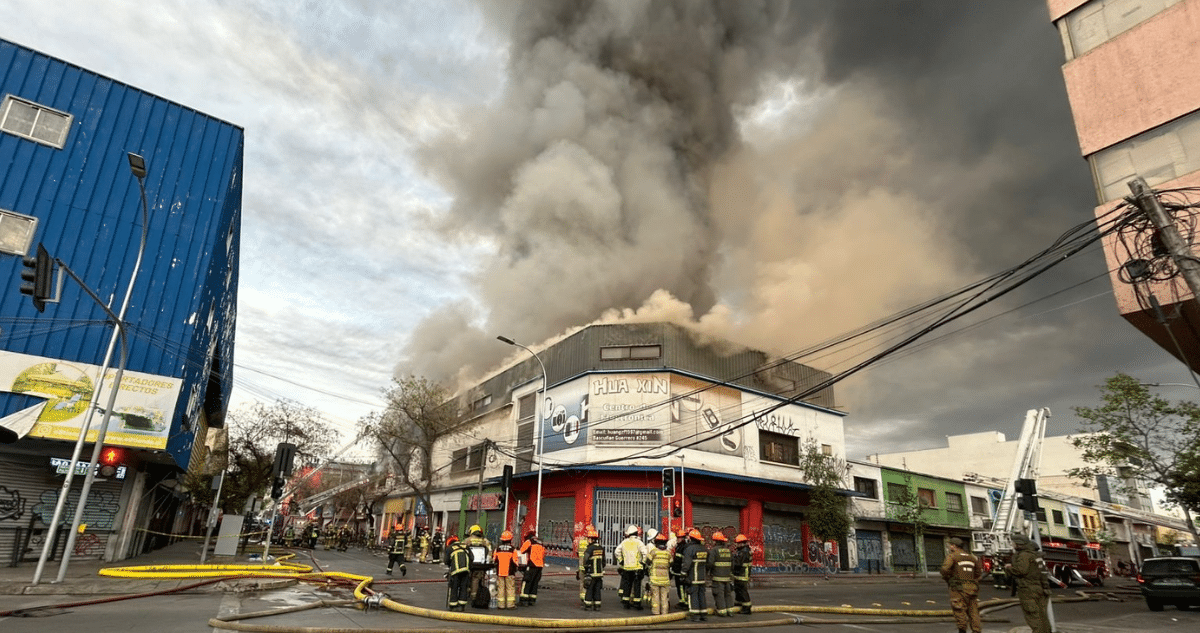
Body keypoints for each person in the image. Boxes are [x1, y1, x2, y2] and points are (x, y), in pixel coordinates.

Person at [1006, 533, 1052, 633]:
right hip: (1039, 588)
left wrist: (1009, 568)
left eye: (1013, 542)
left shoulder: (1024, 555)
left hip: (1028, 589)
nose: (1012, 544)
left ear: (1018, 544)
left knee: (1034, 618)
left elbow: (1021, 570)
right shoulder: (1035, 555)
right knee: (1042, 617)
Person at [940, 537, 982, 633]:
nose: (949, 547)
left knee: (959, 610)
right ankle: (977, 630)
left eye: (950, 545)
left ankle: (962, 630)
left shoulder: (952, 556)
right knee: (973, 612)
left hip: (958, 588)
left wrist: (949, 578)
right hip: (973, 588)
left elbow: (944, 570)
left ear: (954, 546)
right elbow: (978, 573)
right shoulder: (972, 557)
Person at [615, 524, 648, 609]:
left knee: (627, 586)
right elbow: (645, 553)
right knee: (637, 587)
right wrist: (643, 563)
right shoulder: (639, 543)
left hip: (626, 569)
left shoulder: (624, 542)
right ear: (636, 533)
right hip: (637, 569)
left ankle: (626, 603)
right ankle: (637, 604)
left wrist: (621, 561)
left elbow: (616, 552)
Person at [681, 528, 709, 622]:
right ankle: (703, 614)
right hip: (702, 578)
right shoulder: (704, 549)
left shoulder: (690, 549)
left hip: (693, 577)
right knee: (701, 595)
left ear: (691, 539)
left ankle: (695, 615)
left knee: (693, 595)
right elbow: (708, 564)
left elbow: (687, 563)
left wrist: (683, 574)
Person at [464, 524, 493, 602]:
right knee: (477, 580)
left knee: (467, 579)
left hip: (469, 564)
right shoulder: (485, 541)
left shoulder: (467, 541)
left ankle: (467, 595)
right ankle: (475, 596)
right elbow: (489, 553)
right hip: (480, 565)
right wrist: (488, 562)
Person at [707, 531, 734, 617]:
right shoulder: (728, 550)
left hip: (717, 577)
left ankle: (722, 612)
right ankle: (730, 611)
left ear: (715, 541)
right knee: (727, 594)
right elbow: (732, 564)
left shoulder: (714, 551)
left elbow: (710, 563)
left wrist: (707, 572)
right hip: (727, 577)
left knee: (719, 594)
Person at [647, 531, 673, 615]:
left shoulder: (654, 552)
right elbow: (671, 563)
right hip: (665, 579)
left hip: (655, 579)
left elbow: (647, 561)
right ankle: (664, 613)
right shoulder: (668, 553)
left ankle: (656, 613)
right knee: (664, 597)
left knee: (655, 597)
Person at [444, 535, 472, 611]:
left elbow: (446, 561)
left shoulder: (450, 548)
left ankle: (453, 605)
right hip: (466, 570)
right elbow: (471, 557)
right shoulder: (465, 546)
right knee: (464, 587)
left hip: (455, 571)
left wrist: (451, 565)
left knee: (454, 587)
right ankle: (462, 605)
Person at [492, 530, 519, 609]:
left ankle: (501, 605)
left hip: (500, 572)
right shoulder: (512, 549)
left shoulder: (497, 549)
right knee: (510, 588)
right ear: (510, 539)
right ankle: (510, 605)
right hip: (509, 572)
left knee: (500, 588)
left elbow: (494, 560)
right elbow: (515, 561)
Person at [518, 531, 545, 606]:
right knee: (535, 583)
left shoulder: (529, 542)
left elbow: (521, 551)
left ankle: (523, 600)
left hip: (531, 565)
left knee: (527, 582)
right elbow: (543, 554)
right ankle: (532, 600)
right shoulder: (540, 543)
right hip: (540, 566)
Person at [582, 526, 605, 610]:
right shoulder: (601, 548)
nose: (588, 540)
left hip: (591, 573)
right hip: (599, 573)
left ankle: (588, 605)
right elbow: (604, 561)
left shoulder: (590, 548)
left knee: (590, 589)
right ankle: (597, 605)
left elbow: (585, 559)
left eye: (589, 539)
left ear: (591, 539)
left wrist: (585, 568)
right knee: (597, 589)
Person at [731, 534, 753, 614]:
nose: (737, 545)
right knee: (738, 590)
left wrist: (732, 560)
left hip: (742, 575)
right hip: (740, 574)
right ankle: (738, 604)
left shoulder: (744, 552)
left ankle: (747, 608)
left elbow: (738, 563)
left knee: (742, 590)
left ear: (741, 543)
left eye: (738, 543)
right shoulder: (743, 551)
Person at [670, 528, 689, 610]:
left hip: (680, 571)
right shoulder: (681, 546)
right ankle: (684, 601)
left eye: (679, 538)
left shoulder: (682, 547)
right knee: (681, 587)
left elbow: (678, 560)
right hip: (680, 571)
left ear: (683, 538)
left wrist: (674, 570)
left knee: (681, 587)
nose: (677, 539)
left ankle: (683, 602)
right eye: (677, 537)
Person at [576, 524, 594, 607]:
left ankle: (583, 598)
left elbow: (578, 554)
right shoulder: (592, 543)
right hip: (590, 566)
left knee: (582, 583)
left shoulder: (581, 541)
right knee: (590, 583)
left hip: (581, 566)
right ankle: (589, 598)